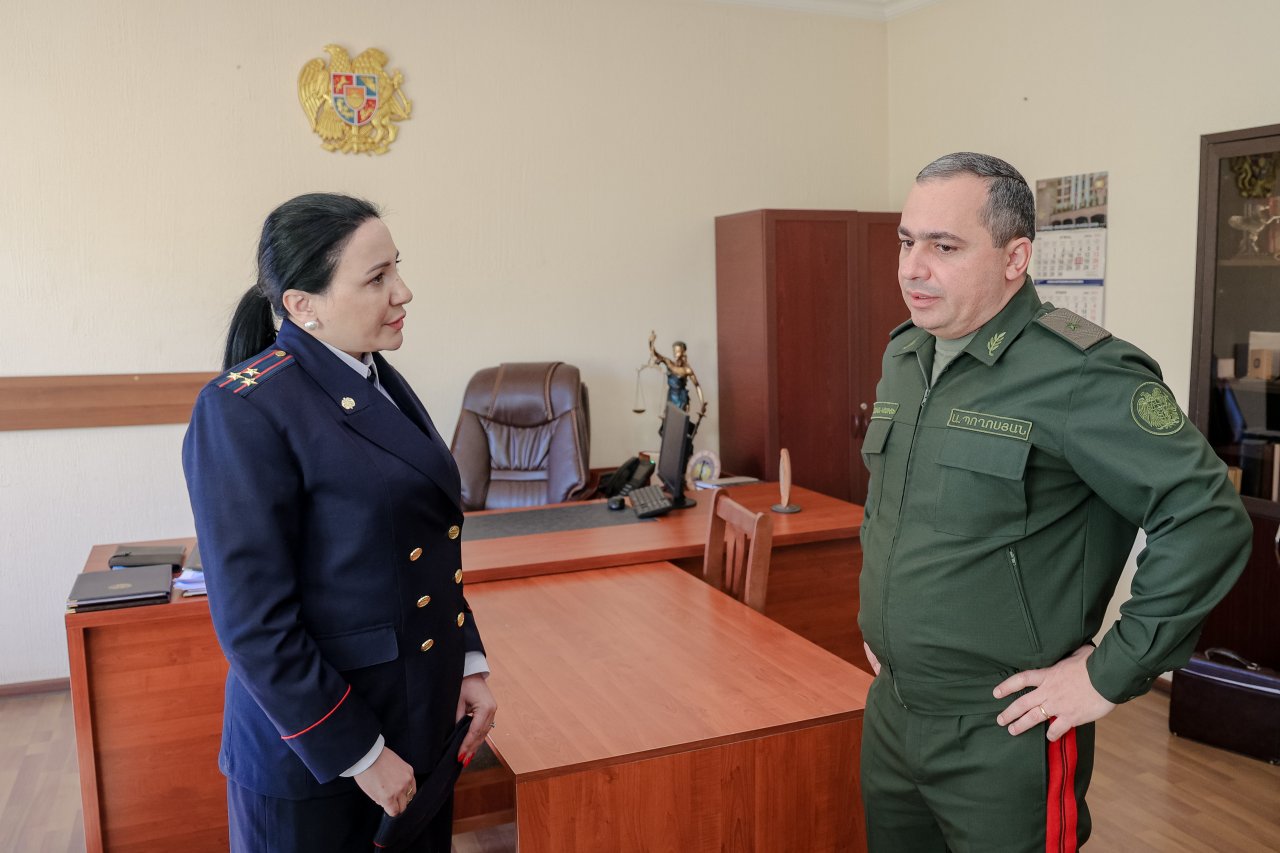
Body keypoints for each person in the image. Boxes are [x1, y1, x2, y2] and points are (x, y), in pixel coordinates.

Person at [857, 153, 1251, 851]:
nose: (912, 268)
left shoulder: (1081, 371)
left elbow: (1206, 517)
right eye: (906, 241)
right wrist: (888, 621)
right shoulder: (906, 355)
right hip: (892, 709)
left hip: (1004, 728)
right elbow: (894, 508)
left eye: (944, 247)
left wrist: (1110, 672)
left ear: (1016, 258)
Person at [182, 193, 497, 852]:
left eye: (397, 268)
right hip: (319, 757)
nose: (403, 291)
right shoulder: (245, 407)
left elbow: (426, 544)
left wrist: (467, 662)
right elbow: (254, 623)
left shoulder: (375, 377)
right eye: (376, 278)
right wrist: (360, 751)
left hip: (417, 718)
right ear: (304, 305)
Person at [647, 330, 707, 420]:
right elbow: (655, 354)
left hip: (681, 399)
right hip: (671, 397)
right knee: (669, 423)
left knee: (679, 422)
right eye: (674, 351)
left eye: (678, 351)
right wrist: (651, 342)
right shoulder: (669, 363)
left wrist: (702, 403)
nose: (675, 353)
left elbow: (697, 386)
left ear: (683, 352)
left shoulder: (687, 370)